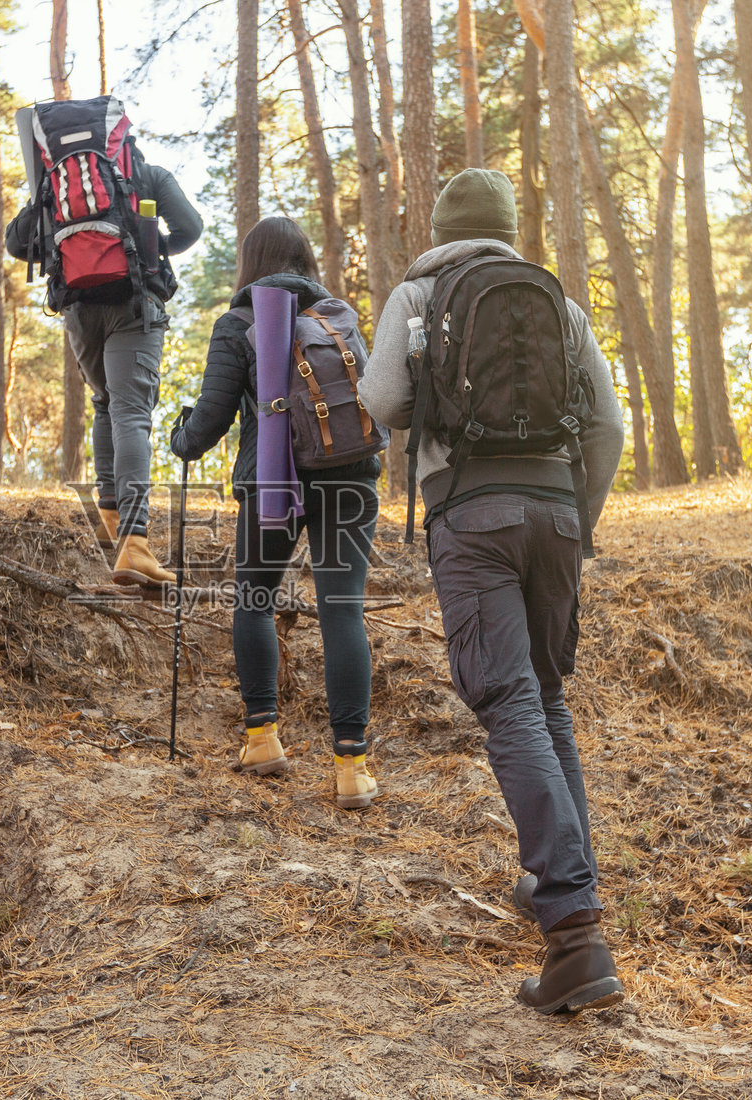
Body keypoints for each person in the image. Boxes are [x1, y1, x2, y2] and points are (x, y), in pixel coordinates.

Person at [357, 169, 625, 1014]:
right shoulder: (554, 299)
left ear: (440, 225)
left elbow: (383, 399)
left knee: (508, 701)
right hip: (556, 514)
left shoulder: (421, 290)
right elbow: (610, 424)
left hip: (472, 515)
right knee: (545, 699)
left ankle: (574, 932)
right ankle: (568, 885)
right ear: (510, 226)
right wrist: (575, 516)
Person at [170, 216, 382, 810]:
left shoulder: (238, 322)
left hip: (274, 481)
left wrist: (179, 436)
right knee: (342, 610)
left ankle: (262, 739)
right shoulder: (337, 317)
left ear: (250, 263)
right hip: (350, 477)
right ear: (307, 260)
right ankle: (352, 768)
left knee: (255, 599)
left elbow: (207, 424)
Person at [6, 131, 203, 587]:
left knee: (104, 401)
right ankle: (134, 544)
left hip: (78, 308)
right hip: (134, 303)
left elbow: (17, 245)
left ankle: (110, 514)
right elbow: (191, 228)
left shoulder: (58, 184)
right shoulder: (149, 176)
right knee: (131, 413)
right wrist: (148, 247)